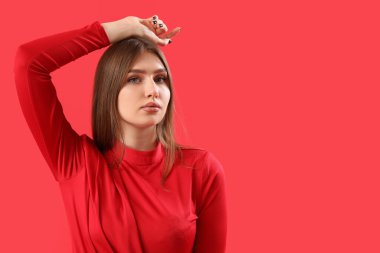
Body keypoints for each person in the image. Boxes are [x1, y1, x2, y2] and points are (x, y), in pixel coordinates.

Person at [14, 15, 227, 253]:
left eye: (160, 79)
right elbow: (28, 63)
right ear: (110, 89)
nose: (152, 91)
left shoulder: (201, 169)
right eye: (134, 79)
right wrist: (120, 29)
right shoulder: (76, 163)